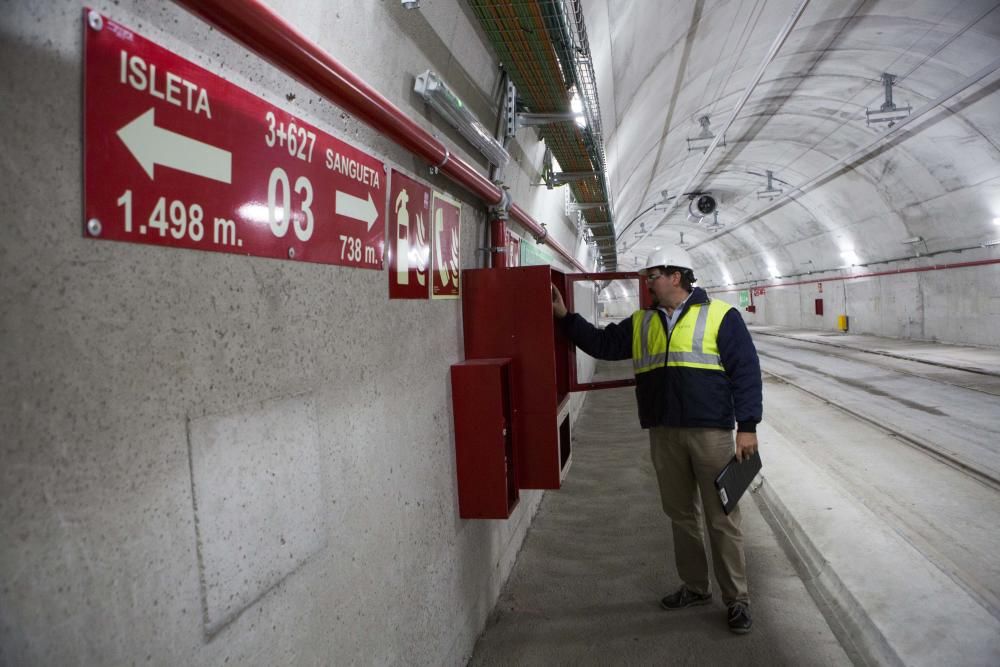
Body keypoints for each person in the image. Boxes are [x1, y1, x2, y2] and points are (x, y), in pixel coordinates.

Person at [551, 246, 762, 634]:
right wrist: (567, 319)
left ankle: (738, 599)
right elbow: (604, 346)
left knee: (723, 516)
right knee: (681, 515)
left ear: (676, 277)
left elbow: (746, 371)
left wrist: (747, 426)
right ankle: (697, 587)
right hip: (664, 432)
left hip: (711, 432)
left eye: (653, 275)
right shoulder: (641, 321)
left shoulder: (721, 316)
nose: (647, 282)